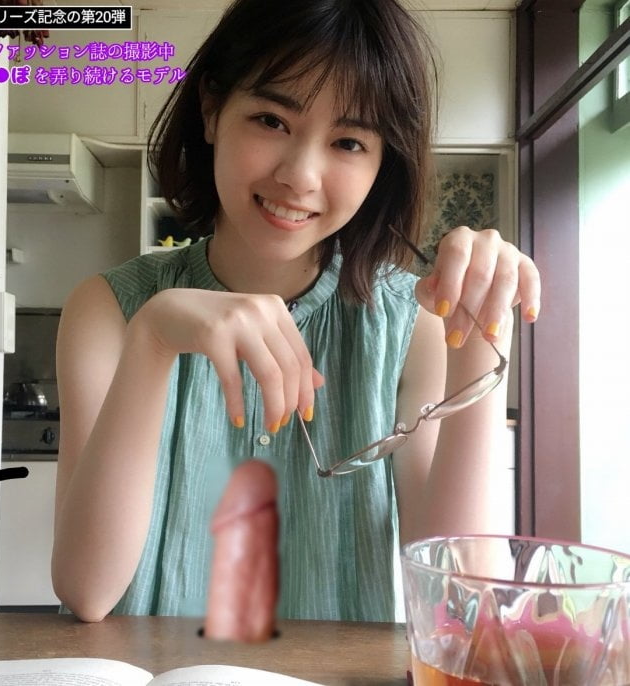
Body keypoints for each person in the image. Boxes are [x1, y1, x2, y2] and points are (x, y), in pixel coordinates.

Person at [51, 0, 540, 624]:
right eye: (271, 120)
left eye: (348, 142)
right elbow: (87, 592)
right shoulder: (111, 309)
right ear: (211, 110)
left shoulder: (407, 324)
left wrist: (477, 333)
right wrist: (152, 339)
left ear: (381, 164)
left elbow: (463, 599)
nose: (301, 176)